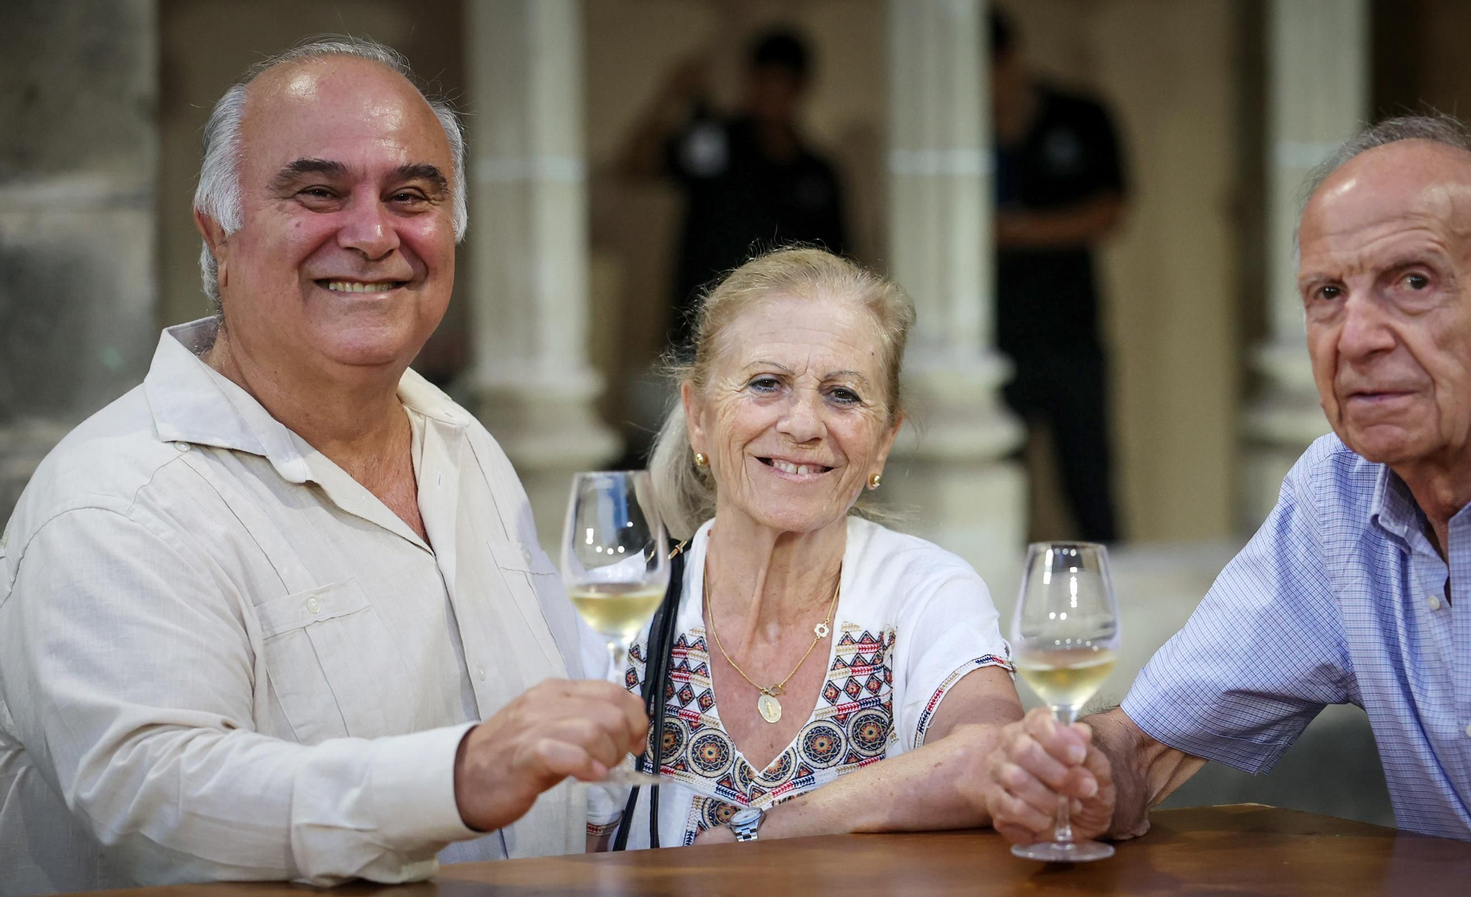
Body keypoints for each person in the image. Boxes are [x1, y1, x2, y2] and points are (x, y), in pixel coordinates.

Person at [0, 39, 646, 895]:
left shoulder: (464, 444)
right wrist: (456, 776)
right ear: (218, 233)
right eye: (318, 192)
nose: (374, 234)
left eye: (411, 195)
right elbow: (149, 800)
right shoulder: (116, 500)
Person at [983, 115, 1471, 895]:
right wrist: (1075, 776)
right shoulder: (1336, 498)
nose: (1357, 337)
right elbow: (1144, 750)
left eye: (1413, 281)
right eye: (1327, 294)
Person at [589, 248, 1023, 849]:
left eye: (843, 395)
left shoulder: (922, 589)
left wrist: (765, 831)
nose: (803, 424)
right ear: (699, 419)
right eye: (766, 384)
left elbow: (996, 757)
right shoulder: (620, 608)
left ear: (882, 443)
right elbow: (568, 846)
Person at [989, 8, 1127, 543]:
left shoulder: (1079, 115)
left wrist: (1018, 231)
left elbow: (1110, 210)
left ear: (1009, 60)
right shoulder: (965, 137)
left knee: (1089, 479)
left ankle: (1111, 601)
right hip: (995, 342)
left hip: (1072, 332)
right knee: (992, 480)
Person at [620, 29, 849, 352]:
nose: (771, 94)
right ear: (750, 81)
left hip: (786, 338)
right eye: (764, 81)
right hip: (706, 329)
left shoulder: (818, 173)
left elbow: (838, 266)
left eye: (781, 83)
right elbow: (634, 167)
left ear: (800, 88)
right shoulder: (716, 142)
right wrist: (671, 97)